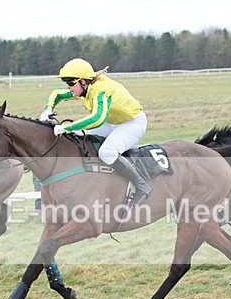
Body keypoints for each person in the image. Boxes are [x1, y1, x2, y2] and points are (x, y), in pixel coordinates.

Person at [39, 58, 152, 207]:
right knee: (76, 135)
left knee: (107, 152)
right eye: (66, 83)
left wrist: (67, 127)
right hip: (112, 122)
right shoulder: (84, 88)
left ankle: (142, 186)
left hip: (131, 123)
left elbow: (98, 118)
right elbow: (57, 94)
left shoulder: (102, 90)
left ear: (84, 81)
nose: (68, 87)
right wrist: (49, 109)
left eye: (71, 83)